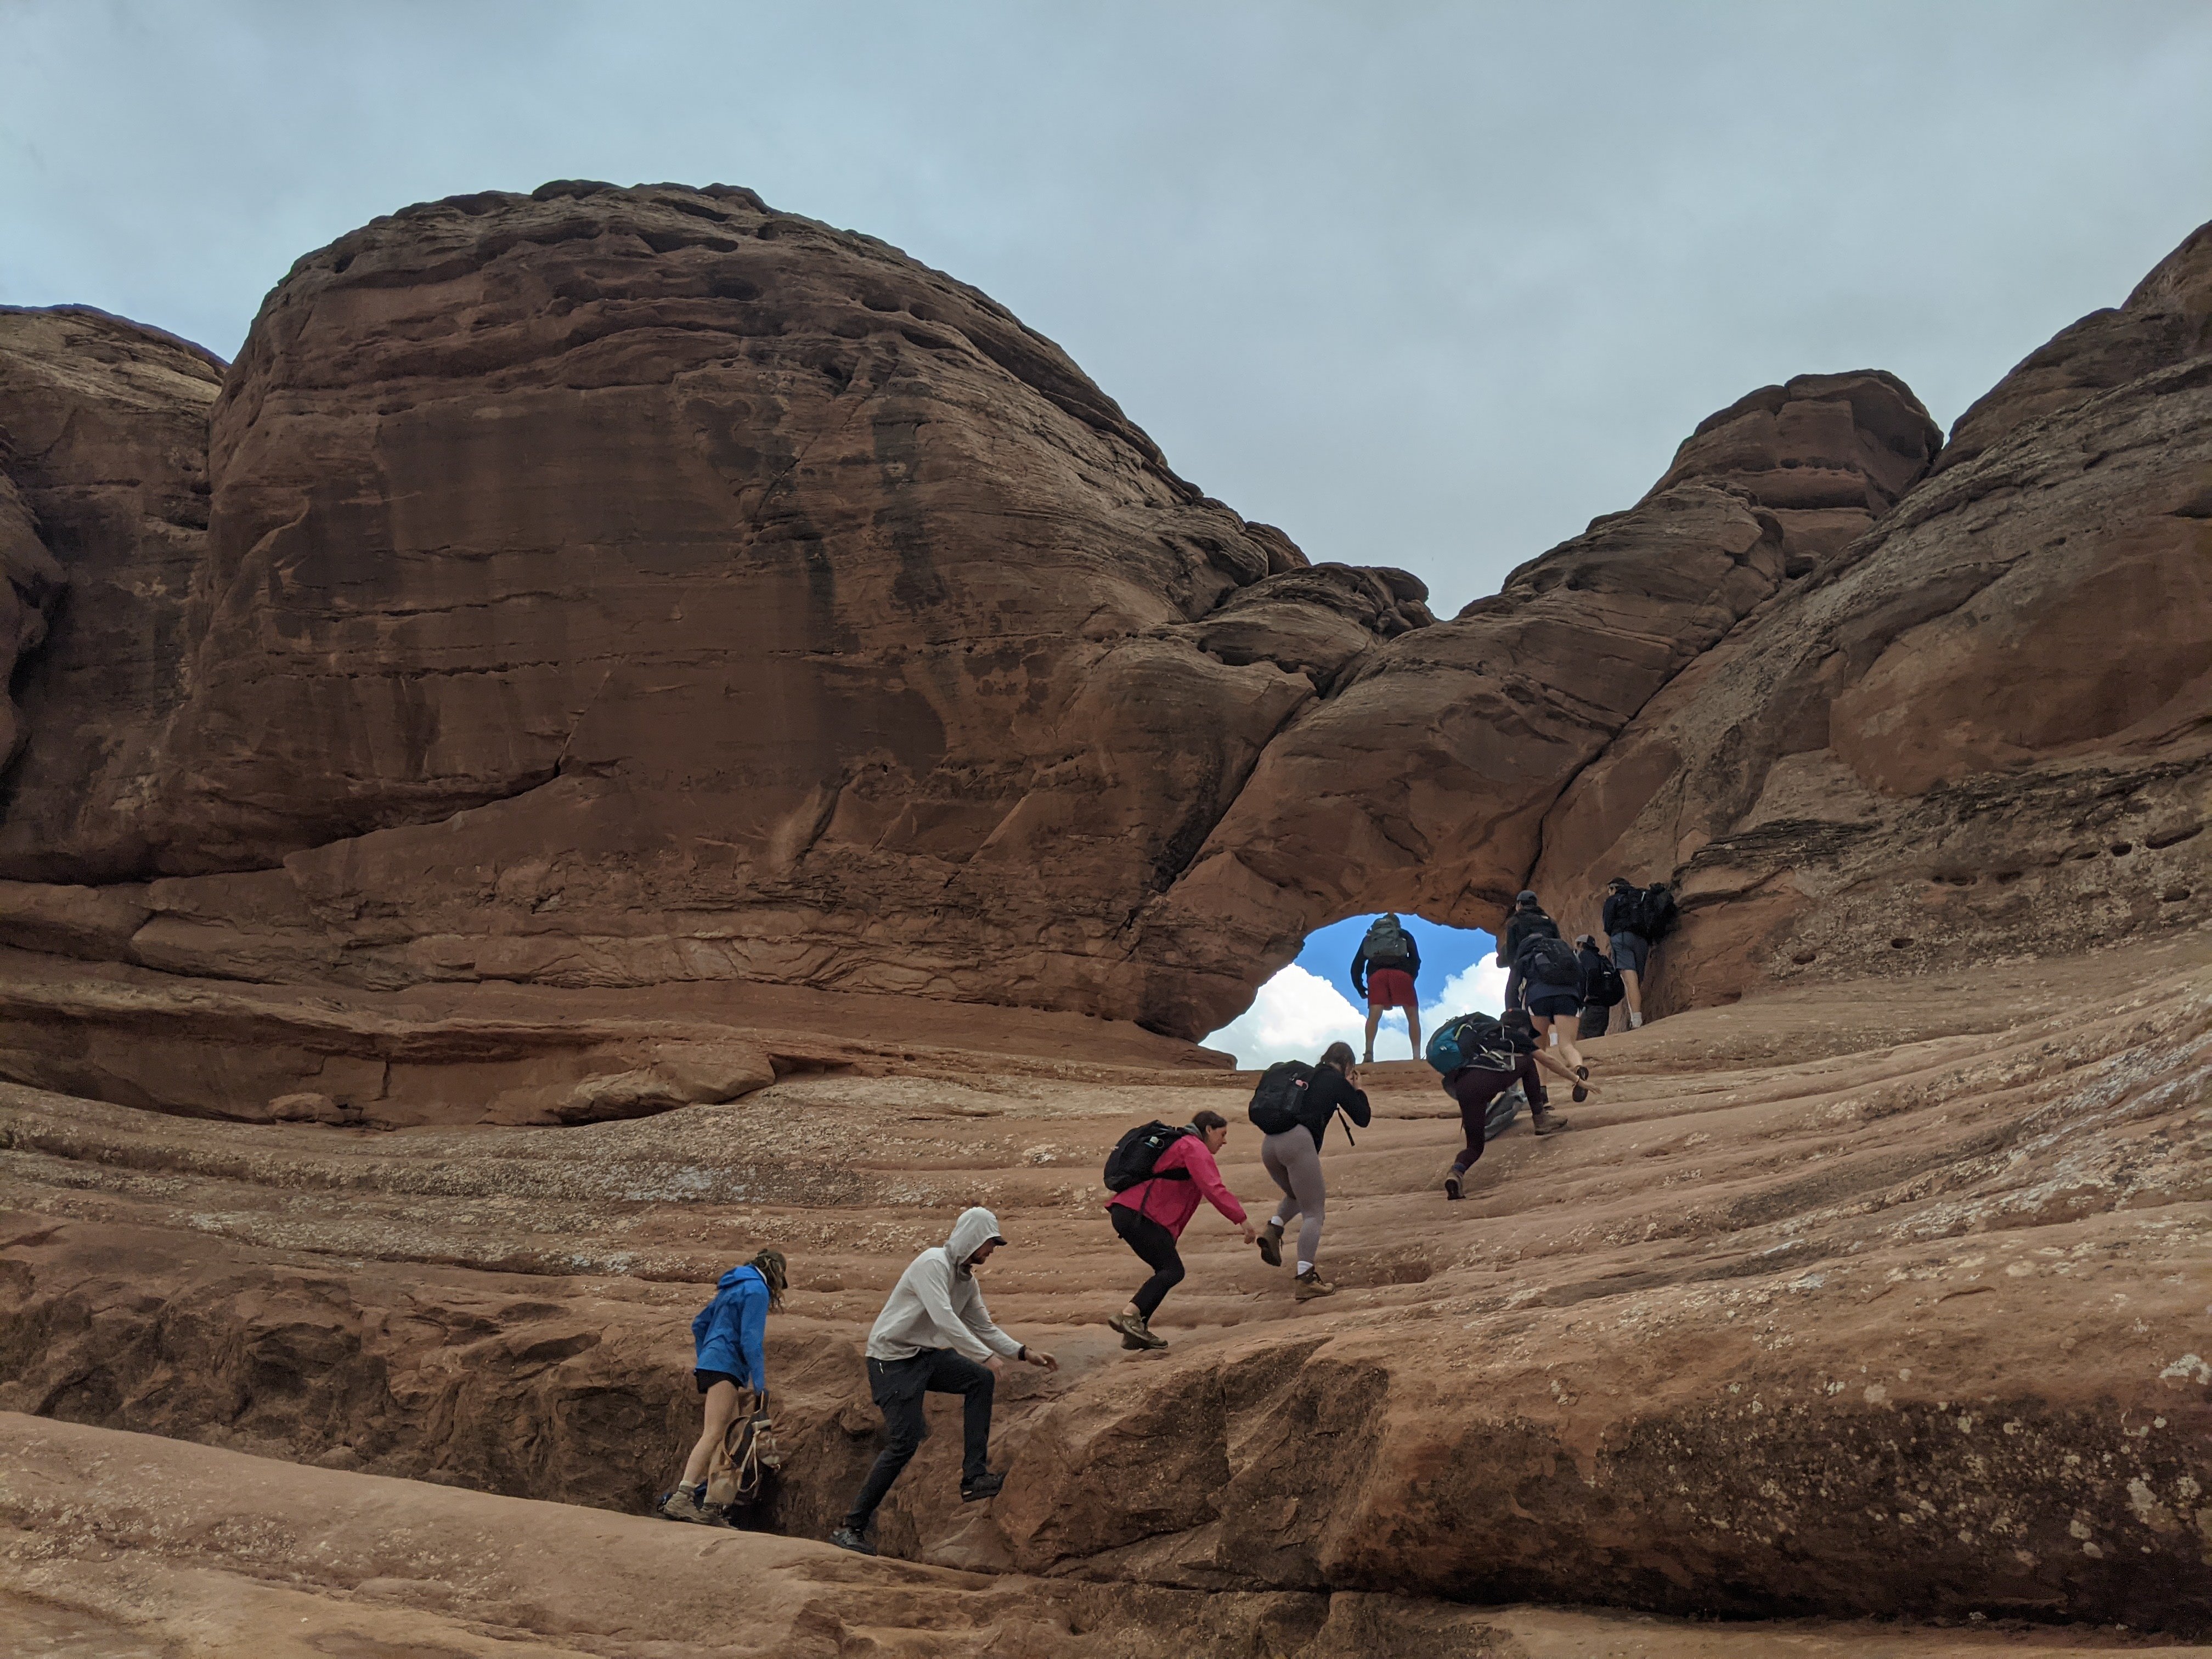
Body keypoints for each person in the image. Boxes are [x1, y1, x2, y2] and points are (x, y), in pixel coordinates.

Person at [829, 1206, 1058, 1556]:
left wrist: (1024, 1353)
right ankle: (851, 1527)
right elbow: (944, 1317)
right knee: (905, 1442)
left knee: (980, 1381)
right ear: (973, 1239)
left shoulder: (966, 1280)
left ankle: (974, 1478)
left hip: (925, 1356)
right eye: (990, 1244)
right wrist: (984, 1355)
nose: (992, 1251)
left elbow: (983, 1326)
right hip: (891, 1362)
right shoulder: (932, 1263)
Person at [1104, 1108, 1255, 1350]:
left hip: (1131, 1213)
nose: (1225, 1141)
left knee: (1167, 1270)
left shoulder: (1185, 1145)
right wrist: (1242, 1220)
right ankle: (1129, 1317)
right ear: (1208, 1130)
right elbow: (1213, 1188)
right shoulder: (1193, 1147)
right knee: (1172, 1270)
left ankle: (1136, 1330)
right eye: (1222, 1134)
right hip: (1138, 1214)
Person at [660, 1248, 787, 1524]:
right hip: (726, 1366)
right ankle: (682, 1498)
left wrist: (706, 1355)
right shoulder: (756, 1291)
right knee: (714, 1432)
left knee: (727, 1438)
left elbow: (699, 1324)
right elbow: (751, 1342)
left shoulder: (732, 1287)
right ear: (774, 1273)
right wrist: (761, 1386)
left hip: (714, 1363)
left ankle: (711, 1508)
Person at [1255, 1041, 1371, 1301]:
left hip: (1269, 1144)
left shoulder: (1307, 1076)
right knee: (1314, 1212)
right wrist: (1357, 1089)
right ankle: (1306, 1278)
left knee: (1298, 1195)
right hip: (1297, 1142)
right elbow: (1363, 1118)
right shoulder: (1335, 1081)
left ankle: (1274, 1228)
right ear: (1348, 1065)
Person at [1440, 1009, 1588, 1199]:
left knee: (1475, 1147)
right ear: (1523, 1028)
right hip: (1484, 1081)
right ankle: (1541, 1118)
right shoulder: (1515, 1035)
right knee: (1528, 1062)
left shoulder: (1481, 1035)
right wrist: (1578, 1080)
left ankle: (1456, 1173)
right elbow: (1548, 1060)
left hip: (1463, 1087)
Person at [1350, 913, 1423, 1064]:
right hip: (1402, 976)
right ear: (1398, 925)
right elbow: (1416, 959)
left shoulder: (1370, 938)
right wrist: (1411, 977)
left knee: (1374, 1016)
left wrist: (1360, 987)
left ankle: (1369, 1052)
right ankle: (1417, 1056)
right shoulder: (1404, 935)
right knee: (1412, 1016)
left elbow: (1357, 965)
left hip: (1377, 976)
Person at [1602, 877, 1673, 1029]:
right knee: (1638, 980)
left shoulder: (1614, 899)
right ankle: (1636, 1016)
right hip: (1642, 941)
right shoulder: (1642, 896)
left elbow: (1608, 925)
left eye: (1609, 890)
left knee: (1630, 981)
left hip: (1622, 937)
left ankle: (1636, 1021)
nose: (1609, 893)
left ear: (1614, 888)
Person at [1496, 891, 1560, 1013]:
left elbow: (1511, 953)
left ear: (1519, 904)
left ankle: (1513, 1019)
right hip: (1553, 962)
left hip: (1528, 963)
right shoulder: (1549, 921)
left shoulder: (1515, 921)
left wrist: (1516, 971)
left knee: (1511, 994)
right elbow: (1558, 942)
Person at [1575, 935, 1623, 1041]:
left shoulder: (1585, 955)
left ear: (1582, 944)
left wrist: (1589, 994)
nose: (1576, 949)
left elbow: (1593, 972)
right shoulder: (1598, 958)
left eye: (1577, 944)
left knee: (1579, 1037)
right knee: (1593, 1038)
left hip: (1594, 1007)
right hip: (1602, 1008)